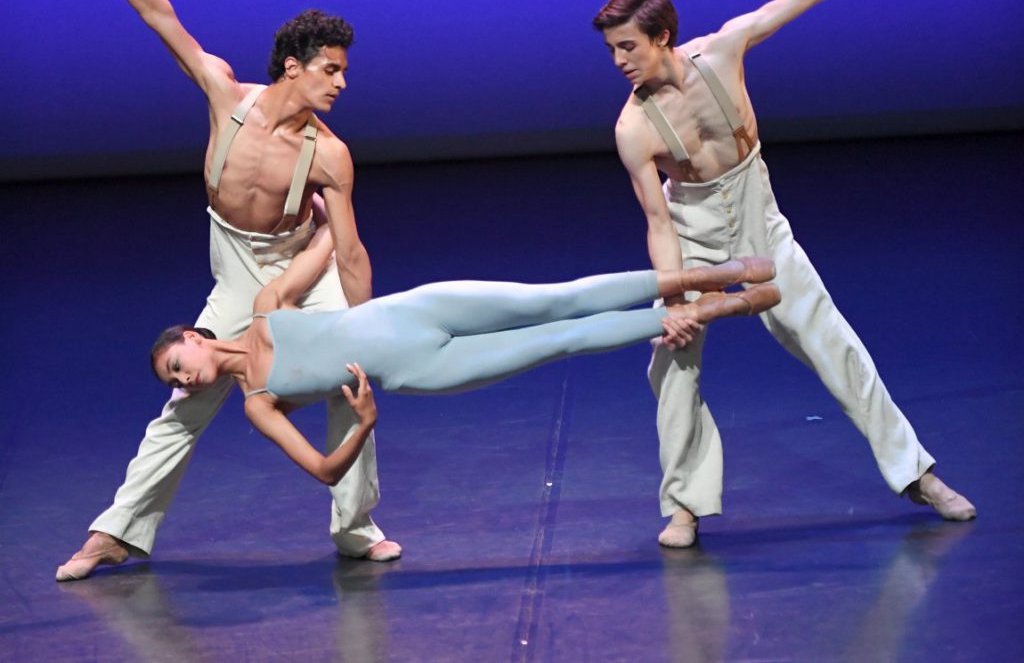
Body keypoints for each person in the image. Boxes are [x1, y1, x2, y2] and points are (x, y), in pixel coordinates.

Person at [593, 0, 976, 549]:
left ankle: (918, 474)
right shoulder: (632, 128)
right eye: (611, 50)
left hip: (760, 224)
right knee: (671, 367)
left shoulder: (723, 49)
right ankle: (685, 506)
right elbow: (657, 221)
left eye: (627, 46)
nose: (618, 61)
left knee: (837, 347)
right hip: (692, 233)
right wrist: (675, 299)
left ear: (662, 37)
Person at [41, 0, 399, 581]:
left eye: (344, 70)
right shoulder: (226, 96)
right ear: (294, 65)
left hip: (302, 263)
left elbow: (347, 248)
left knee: (352, 376)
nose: (342, 82)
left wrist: (363, 319)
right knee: (187, 401)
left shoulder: (331, 155)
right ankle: (116, 532)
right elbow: (161, 19)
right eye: (331, 69)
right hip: (236, 267)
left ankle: (355, 527)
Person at [150, 217, 782, 486]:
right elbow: (322, 471)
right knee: (559, 340)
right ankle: (706, 309)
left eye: (179, 363)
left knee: (553, 300)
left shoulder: (266, 307)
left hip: (421, 307)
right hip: (420, 369)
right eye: (177, 381)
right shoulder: (259, 403)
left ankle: (705, 276)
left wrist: (326, 207)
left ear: (195, 337)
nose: (187, 378)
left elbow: (322, 247)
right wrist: (363, 426)